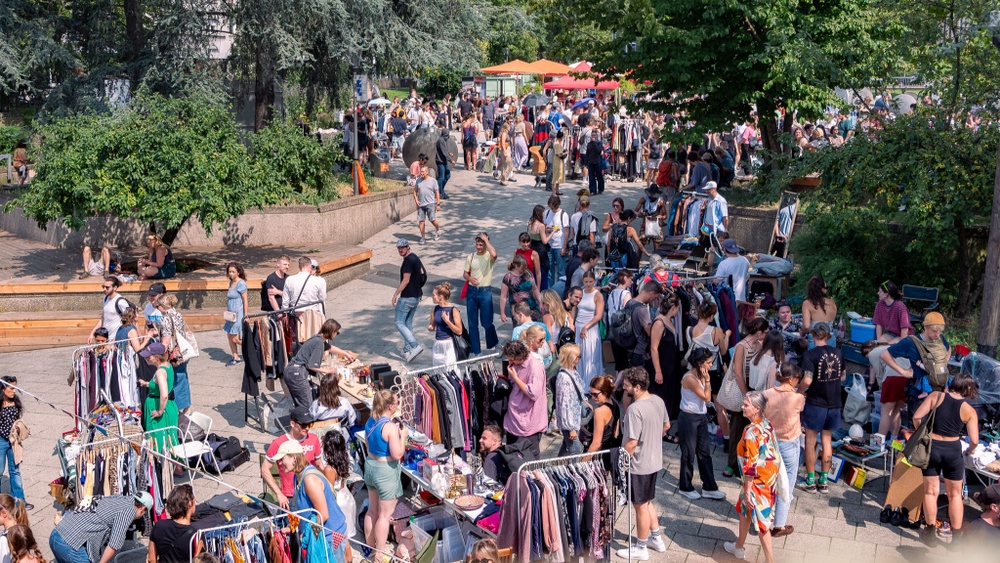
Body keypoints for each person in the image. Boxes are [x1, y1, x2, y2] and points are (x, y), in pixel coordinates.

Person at [912, 373, 979, 539]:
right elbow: (975, 440)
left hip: (932, 448)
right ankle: (956, 538)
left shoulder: (936, 396)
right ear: (968, 388)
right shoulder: (969, 410)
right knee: (955, 495)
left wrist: (922, 432)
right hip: (952, 450)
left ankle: (929, 533)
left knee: (930, 492)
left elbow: (916, 417)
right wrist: (970, 449)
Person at [616, 367, 669, 560]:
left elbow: (631, 442)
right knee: (647, 502)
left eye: (627, 385)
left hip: (638, 465)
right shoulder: (658, 400)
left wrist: (620, 463)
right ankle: (656, 539)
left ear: (637, 387)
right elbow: (666, 426)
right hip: (654, 461)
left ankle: (641, 547)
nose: (624, 387)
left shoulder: (634, 409)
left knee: (639, 506)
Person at [723, 391, 778, 563]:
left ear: (757, 408)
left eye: (746, 405)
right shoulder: (767, 424)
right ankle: (738, 547)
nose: (742, 407)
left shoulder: (751, 433)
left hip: (757, 484)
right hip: (768, 479)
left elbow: (750, 467)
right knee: (744, 510)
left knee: (762, 525)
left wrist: (748, 491)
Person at [285, 438, 351, 563]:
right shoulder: (297, 476)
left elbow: (323, 515)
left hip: (330, 537)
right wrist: (292, 527)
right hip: (319, 536)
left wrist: (308, 536)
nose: (280, 463)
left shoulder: (309, 479)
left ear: (294, 458)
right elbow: (301, 510)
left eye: (282, 458)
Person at [799, 323, 845, 493]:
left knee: (810, 441)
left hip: (816, 402)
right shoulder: (838, 353)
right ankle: (824, 480)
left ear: (813, 335)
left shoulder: (810, 355)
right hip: (834, 402)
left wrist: (800, 390)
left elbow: (807, 380)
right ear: (829, 336)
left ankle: (810, 480)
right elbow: (843, 375)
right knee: (827, 441)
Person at [676, 348, 726, 501]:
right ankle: (685, 486)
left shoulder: (701, 374)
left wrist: (706, 379)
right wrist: (708, 380)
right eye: (709, 362)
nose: (711, 365)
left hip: (700, 417)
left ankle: (709, 486)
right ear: (699, 363)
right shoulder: (689, 378)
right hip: (688, 418)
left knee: (704, 452)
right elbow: (706, 397)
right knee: (688, 453)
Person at [762, 363, 805, 538]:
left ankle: (762, 518)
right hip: (788, 443)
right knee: (786, 484)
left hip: (769, 442)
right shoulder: (798, 398)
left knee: (767, 482)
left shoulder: (765, 395)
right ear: (794, 379)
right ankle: (779, 524)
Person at [723, 317, 769, 478]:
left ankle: (748, 462)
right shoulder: (741, 346)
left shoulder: (761, 345)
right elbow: (738, 373)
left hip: (756, 388)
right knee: (737, 427)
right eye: (765, 332)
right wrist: (746, 395)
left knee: (753, 429)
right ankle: (732, 463)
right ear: (758, 332)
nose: (767, 334)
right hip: (744, 389)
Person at [364, 390, 407, 559]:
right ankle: (379, 554)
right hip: (385, 471)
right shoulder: (389, 427)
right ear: (390, 406)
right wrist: (402, 436)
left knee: (372, 510)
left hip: (371, 466)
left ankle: (368, 546)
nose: (398, 405)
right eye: (397, 402)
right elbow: (397, 454)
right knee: (384, 515)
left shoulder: (370, 420)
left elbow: (368, 444)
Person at [50, 492, 153, 563]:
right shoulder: (129, 511)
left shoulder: (119, 498)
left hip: (56, 534)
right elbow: (114, 545)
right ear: (143, 509)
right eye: (143, 514)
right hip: (69, 544)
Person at [284, 319, 355, 408]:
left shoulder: (318, 338)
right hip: (297, 373)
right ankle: (307, 421)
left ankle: (299, 420)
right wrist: (328, 371)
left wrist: (346, 354)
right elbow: (312, 365)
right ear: (332, 332)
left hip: (291, 371)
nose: (337, 334)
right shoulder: (319, 343)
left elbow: (330, 347)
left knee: (300, 405)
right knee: (307, 406)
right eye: (337, 332)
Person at [261, 406, 323, 508]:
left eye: (310, 424)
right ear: (292, 424)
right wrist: (279, 494)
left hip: (311, 490)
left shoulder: (314, 439)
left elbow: (319, 464)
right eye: (303, 425)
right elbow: (264, 469)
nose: (307, 428)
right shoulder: (278, 443)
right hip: (290, 495)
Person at [502, 340, 547, 459]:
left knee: (528, 459)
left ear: (520, 356)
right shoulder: (514, 365)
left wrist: (516, 378)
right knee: (513, 458)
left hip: (528, 424)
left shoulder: (535, 368)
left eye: (512, 359)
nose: (510, 362)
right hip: (514, 420)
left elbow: (534, 393)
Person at [155, 295, 193, 414]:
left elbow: (166, 341)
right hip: (182, 352)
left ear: (161, 306)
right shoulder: (177, 314)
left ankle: (176, 407)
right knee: (183, 378)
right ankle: (187, 407)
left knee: (174, 380)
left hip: (173, 354)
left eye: (157, 306)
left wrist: (159, 353)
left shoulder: (165, 318)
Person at [464, 232, 499, 355]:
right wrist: (469, 279)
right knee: (472, 323)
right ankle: (476, 351)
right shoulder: (471, 257)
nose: (478, 247)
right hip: (472, 292)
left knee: (487, 322)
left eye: (481, 244)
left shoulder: (489, 257)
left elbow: (495, 254)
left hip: (485, 292)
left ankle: (494, 342)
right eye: (477, 244)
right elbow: (465, 273)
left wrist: (486, 240)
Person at [650, 293, 683, 420]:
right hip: (662, 366)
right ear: (673, 307)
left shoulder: (669, 321)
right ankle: (661, 427)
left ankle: (665, 425)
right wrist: (658, 371)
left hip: (670, 366)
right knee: (661, 396)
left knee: (668, 396)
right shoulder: (659, 322)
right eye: (678, 308)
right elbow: (654, 348)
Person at [391, 239, 426, 362]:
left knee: (399, 322)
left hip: (407, 297)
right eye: (398, 248)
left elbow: (405, 280)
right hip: (416, 296)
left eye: (402, 247)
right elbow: (423, 274)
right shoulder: (415, 258)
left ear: (408, 247)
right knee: (407, 322)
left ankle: (414, 346)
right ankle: (407, 350)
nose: (400, 250)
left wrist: (396, 294)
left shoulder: (407, 261)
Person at [148, 484, 198, 562]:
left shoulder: (159, 526)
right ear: (190, 503)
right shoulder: (195, 535)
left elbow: (151, 559)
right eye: (195, 501)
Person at [0, 380, 28, 511]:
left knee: (15, 471)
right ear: (3, 389)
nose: (14, 391)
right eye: (11, 388)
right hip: (0, 441)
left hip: (13, 442)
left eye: (15, 388)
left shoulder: (15, 403)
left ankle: (19, 501)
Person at [574, 270, 604, 387]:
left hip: (590, 327)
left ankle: (591, 383)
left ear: (594, 281)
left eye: (590, 281)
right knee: (579, 354)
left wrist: (586, 327)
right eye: (586, 281)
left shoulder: (598, 295)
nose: (588, 284)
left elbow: (599, 315)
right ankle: (581, 381)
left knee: (590, 355)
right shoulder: (581, 292)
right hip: (579, 324)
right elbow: (575, 308)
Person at [554, 344, 585, 455]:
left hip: (574, 418)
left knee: (566, 448)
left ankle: (556, 469)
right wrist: (570, 427)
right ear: (572, 358)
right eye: (578, 356)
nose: (579, 358)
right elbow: (564, 404)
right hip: (569, 421)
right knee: (574, 451)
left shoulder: (573, 371)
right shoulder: (564, 377)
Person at [628, 281, 665, 370]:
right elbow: (649, 331)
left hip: (630, 347)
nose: (654, 300)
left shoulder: (630, 302)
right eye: (655, 297)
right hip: (639, 350)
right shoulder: (642, 309)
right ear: (651, 293)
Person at [581, 375, 620, 458]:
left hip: (599, 456)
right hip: (610, 451)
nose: (593, 397)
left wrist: (583, 463)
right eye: (591, 393)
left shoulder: (599, 412)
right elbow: (616, 431)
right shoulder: (614, 403)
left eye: (595, 394)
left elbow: (596, 443)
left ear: (605, 391)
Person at [310, 374, 358, 441]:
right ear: (336, 387)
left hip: (322, 437)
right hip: (342, 437)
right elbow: (352, 421)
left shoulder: (316, 404)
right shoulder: (344, 402)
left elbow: (312, 419)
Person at [87, 276, 131, 344]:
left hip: (117, 340)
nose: (104, 289)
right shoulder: (105, 298)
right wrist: (92, 333)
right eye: (103, 287)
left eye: (107, 287)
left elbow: (129, 321)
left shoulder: (121, 302)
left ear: (115, 288)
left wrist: (115, 339)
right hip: (106, 338)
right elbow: (103, 318)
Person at [429, 282, 463, 367]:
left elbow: (459, 331)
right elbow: (432, 325)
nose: (432, 297)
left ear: (440, 296)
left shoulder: (453, 310)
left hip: (449, 345)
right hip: (437, 343)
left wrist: (447, 321)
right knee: (437, 372)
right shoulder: (434, 309)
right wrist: (431, 327)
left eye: (434, 295)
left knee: (450, 371)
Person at [221, 262, 248, 367]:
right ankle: (235, 356)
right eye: (229, 272)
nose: (231, 274)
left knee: (235, 338)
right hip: (230, 314)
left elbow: (245, 300)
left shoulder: (241, 283)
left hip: (238, 314)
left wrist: (246, 315)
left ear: (238, 272)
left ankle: (252, 348)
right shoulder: (231, 282)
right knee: (229, 335)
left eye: (233, 272)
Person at [801, 275, 838, 348]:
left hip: (816, 339)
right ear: (822, 289)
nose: (826, 290)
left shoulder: (807, 303)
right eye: (825, 288)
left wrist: (801, 333)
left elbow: (806, 326)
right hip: (830, 338)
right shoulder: (832, 302)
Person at [500, 255, 542, 320]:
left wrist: (540, 302)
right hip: (518, 311)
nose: (525, 269)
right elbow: (503, 297)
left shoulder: (528, 273)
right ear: (516, 266)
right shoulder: (508, 278)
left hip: (532, 307)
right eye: (523, 267)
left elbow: (535, 289)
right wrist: (502, 313)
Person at [543, 195, 571, 288]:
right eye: (550, 207)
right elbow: (544, 228)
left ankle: (560, 290)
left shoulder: (563, 214)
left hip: (559, 245)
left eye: (554, 207)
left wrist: (564, 246)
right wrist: (548, 229)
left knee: (561, 271)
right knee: (549, 271)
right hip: (549, 245)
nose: (552, 209)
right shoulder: (547, 213)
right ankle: (550, 291)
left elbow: (566, 231)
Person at [413, 166, 442, 244]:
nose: (421, 173)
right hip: (421, 204)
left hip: (430, 203)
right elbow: (415, 192)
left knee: (432, 219)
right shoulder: (418, 181)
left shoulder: (433, 181)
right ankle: (423, 237)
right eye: (421, 171)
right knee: (421, 221)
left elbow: (437, 192)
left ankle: (438, 230)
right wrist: (416, 201)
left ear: (427, 172)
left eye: (423, 172)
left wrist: (438, 204)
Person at [527, 205, 553, 290]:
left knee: (534, 269)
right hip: (540, 250)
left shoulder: (530, 222)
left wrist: (547, 228)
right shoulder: (541, 225)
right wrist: (553, 233)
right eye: (543, 212)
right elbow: (545, 241)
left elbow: (534, 233)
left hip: (532, 247)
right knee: (542, 270)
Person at [435, 127, 455, 199]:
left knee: (448, 175)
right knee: (441, 177)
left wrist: (449, 153)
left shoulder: (443, 140)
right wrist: (450, 160)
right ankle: (440, 192)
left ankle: (441, 188)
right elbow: (444, 153)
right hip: (440, 161)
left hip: (444, 161)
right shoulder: (441, 141)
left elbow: (445, 150)